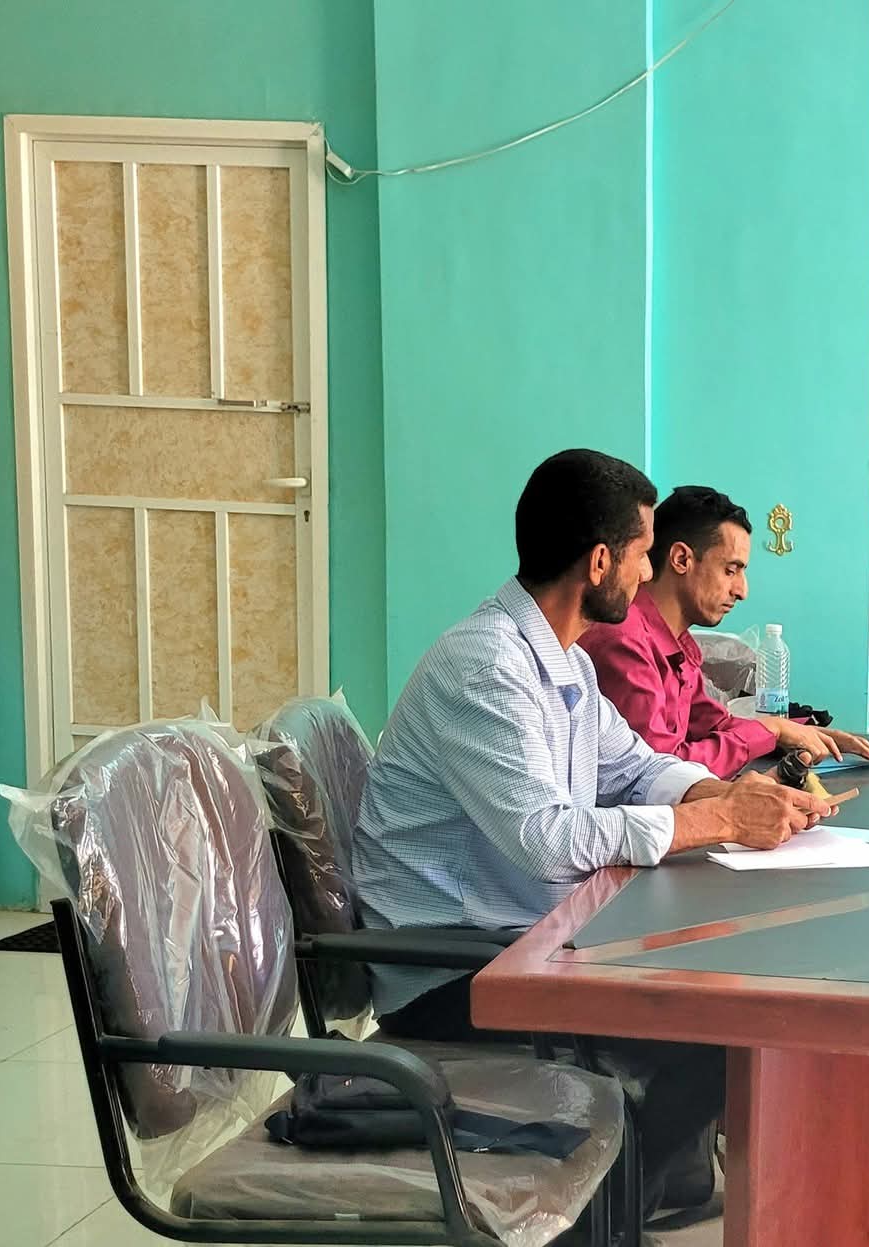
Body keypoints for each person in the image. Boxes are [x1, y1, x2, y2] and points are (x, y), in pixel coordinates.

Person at [355, 449, 838, 1220]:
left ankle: (614, 1206)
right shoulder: (487, 667)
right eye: (645, 554)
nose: (649, 575)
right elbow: (546, 838)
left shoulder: (565, 663)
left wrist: (730, 792)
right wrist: (717, 820)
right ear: (602, 561)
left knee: (716, 1017)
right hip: (456, 973)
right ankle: (598, 1218)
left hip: (523, 940)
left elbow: (636, 766)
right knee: (717, 1033)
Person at [578, 485, 869, 778]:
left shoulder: (675, 642)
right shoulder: (624, 641)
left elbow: (712, 724)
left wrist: (797, 732)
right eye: (730, 570)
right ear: (682, 559)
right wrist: (771, 730)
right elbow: (660, 772)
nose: (742, 591)